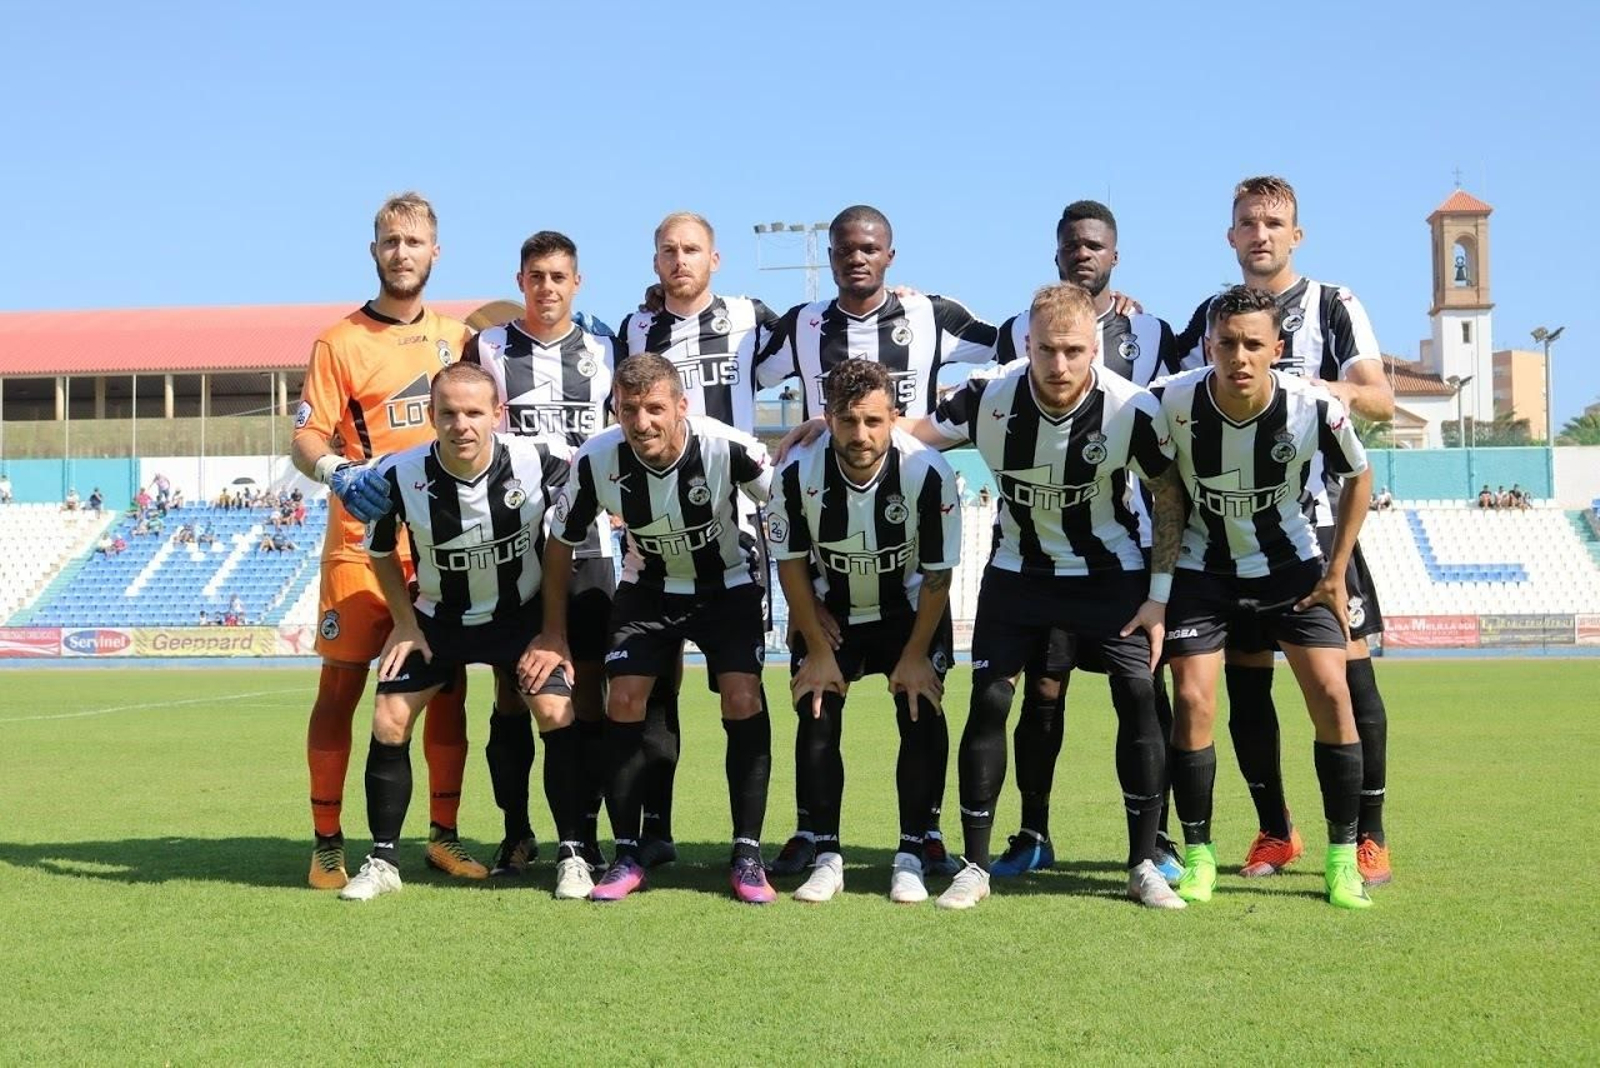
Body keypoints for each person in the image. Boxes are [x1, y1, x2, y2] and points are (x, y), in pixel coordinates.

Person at [902, 282, 1185, 911]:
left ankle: (1143, 862)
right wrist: (831, 422)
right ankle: (974, 866)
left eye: (1074, 351)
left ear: (1095, 349)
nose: (1060, 365)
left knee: (1139, 695)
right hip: (1017, 573)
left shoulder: (1132, 407)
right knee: (992, 699)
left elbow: (1169, 495)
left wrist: (1159, 595)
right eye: (1048, 350)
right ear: (1026, 344)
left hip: (1111, 574)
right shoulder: (986, 396)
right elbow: (911, 433)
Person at [757, 204, 998, 876]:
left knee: (920, 700)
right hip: (829, 599)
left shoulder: (930, 316)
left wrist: (936, 425)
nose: (855, 257)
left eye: (869, 247)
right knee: (814, 698)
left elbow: (1012, 347)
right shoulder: (803, 327)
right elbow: (733, 366)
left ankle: (921, 838)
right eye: (843, 248)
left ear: (890, 254)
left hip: (907, 599)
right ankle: (815, 837)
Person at [1174, 177, 1397, 886]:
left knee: (1346, 683)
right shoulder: (1214, 314)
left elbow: (1383, 401)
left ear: (1295, 235)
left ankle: (1368, 836)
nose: (1260, 233)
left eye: (1274, 222)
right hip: (1231, 534)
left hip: (1318, 527)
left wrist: (1319, 393)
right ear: (1231, 236)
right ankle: (1276, 832)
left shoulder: (1334, 304)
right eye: (1248, 222)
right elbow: (1171, 390)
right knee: (1244, 689)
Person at [523, 354, 777, 903]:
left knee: (741, 696)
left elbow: (786, 510)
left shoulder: (728, 448)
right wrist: (552, 633)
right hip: (649, 588)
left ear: (682, 407)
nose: (642, 423)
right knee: (624, 699)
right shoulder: (596, 459)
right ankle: (629, 851)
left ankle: (748, 852)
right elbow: (560, 542)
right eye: (629, 409)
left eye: (655, 408)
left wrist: (810, 606)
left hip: (728, 585)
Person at [1154, 285, 1374, 910]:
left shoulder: (1313, 407)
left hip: (1291, 569)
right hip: (1204, 570)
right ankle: (1198, 857)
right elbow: (1158, 484)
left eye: (1254, 344)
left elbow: (1359, 476)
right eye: (1227, 343)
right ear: (1208, 345)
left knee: (1334, 694)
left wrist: (1336, 570)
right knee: (1194, 699)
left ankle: (1341, 858)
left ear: (1277, 349)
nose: (1240, 356)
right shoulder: (1171, 402)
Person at [339, 363, 588, 901]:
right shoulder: (398, 474)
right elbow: (379, 549)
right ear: (431, 417)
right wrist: (404, 623)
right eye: (448, 413)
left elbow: (598, 482)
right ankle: (383, 860)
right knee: (388, 717)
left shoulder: (539, 459)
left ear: (497, 414)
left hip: (518, 615)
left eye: (475, 412)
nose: (462, 425)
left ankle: (574, 851)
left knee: (555, 710)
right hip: (436, 619)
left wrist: (552, 631)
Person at [989, 200, 1187, 880]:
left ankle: (1156, 843)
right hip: (1032, 559)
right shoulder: (1014, 336)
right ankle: (1032, 833)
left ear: (1115, 254)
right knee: (1042, 694)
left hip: (1114, 558)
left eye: (1095, 244)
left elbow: (1197, 388)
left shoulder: (1151, 330)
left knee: (1141, 692)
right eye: (1073, 243)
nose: (1084, 252)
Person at [289, 191, 479, 890]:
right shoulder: (338, 341)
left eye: (414, 241)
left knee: (447, 690)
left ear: (436, 251)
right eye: (390, 242)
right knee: (340, 690)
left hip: (437, 552)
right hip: (361, 550)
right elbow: (307, 435)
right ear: (375, 252)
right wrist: (339, 471)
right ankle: (328, 842)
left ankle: (443, 835)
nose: (403, 253)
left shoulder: (462, 339)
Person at [610, 211, 789, 871]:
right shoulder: (634, 327)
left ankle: (752, 842)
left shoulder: (750, 317)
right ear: (654, 261)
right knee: (650, 689)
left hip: (732, 528)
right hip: (654, 533)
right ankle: (652, 831)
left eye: (691, 250)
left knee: (741, 689)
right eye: (667, 250)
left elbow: (823, 337)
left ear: (715, 259)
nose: (678, 260)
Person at [768, 360, 961, 904]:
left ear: (893, 417)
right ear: (827, 418)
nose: (861, 435)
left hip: (909, 610)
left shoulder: (927, 471)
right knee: (817, 703)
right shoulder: (796, 472)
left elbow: (939, 572)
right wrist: (812, 639)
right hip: (832, 612)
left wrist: (918, 654)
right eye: (849, 421)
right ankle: (826, 853)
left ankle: (912, 850)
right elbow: (790, 562)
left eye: (874, 421)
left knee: (920, 704)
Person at [462, 229, 620, 877]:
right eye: (536, 277)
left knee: (586, 695)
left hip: (590, 547)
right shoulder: (490, 347)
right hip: (513, 548)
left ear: (576, 282)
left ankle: (580, 838)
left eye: (559, 277)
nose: (547, 288)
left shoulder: (605, 347)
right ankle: (517, 831)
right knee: (511, 691)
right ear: (520, 281)